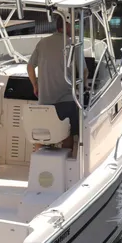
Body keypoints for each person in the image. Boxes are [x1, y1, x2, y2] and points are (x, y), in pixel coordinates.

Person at [26, 16, 85, 152]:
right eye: (73, 26)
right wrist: (78, 84)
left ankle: (38, 161)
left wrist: (35, 85)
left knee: (42, 136)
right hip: (67, 99)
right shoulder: (73, 45)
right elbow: (85, 72)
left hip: (45, 101)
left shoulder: (43, 43)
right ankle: (67, 162)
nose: (75, 29)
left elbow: (30, 67)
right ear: (66, 27)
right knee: (67, 134)